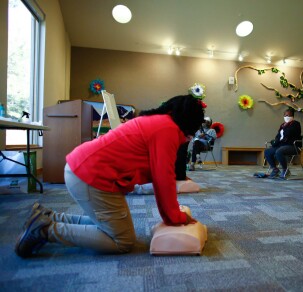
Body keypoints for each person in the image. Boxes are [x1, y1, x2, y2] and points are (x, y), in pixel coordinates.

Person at [15, 95, 205, 257]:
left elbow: (158, 176)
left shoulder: (159, 122)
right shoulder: (167, 130)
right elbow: (164, 180)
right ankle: (45, 230)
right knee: (122, 240)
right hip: (91, 175)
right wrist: (175, 218)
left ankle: (49, 216)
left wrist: (173, 214)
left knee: (109, 224)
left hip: (83, 169)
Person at [264, 108, 302, 180]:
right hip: (282, 145)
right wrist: (275, 142)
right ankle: (275, 169)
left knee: (279, 151)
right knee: (267, 151)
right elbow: (278, 136)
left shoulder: (296, 124)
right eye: (285, 115)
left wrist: (285, 127)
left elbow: (288, 133)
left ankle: (285, 170)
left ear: (292, 116)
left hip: (292, 146)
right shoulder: (282, 125)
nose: (286, 117)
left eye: (288, 115)